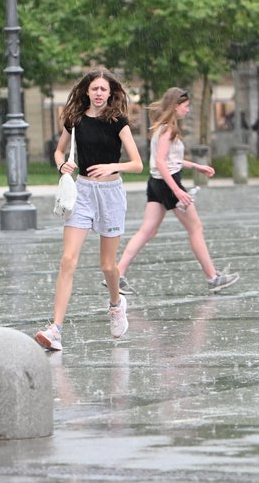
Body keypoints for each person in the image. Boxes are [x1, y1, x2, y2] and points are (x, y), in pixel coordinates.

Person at [35, 68, 144, 351]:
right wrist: (62, 165)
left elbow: (137, 164)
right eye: (94, 88)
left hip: (110, 194)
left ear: (110, 93)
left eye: (103, 90)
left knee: (108, 265)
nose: (98, 93)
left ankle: (116, 304)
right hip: (82, 193)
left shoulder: (117, 121)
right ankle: (55, 329)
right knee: (67, 260)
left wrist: (112, 166)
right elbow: (59, 151)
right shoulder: (75, 119)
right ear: (86, 91)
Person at [112, 87, 239, 296]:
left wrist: (195, 166)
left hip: (156, 183)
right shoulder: (169, 130)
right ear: (175, 106)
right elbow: (162, 162)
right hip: (167, 183)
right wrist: (177, 191)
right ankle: (212, 278)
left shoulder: (162, 128)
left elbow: (168, 159)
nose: (188, 110)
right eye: (186, 106)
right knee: (195, 228)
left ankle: (117, 274)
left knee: (148, 230)